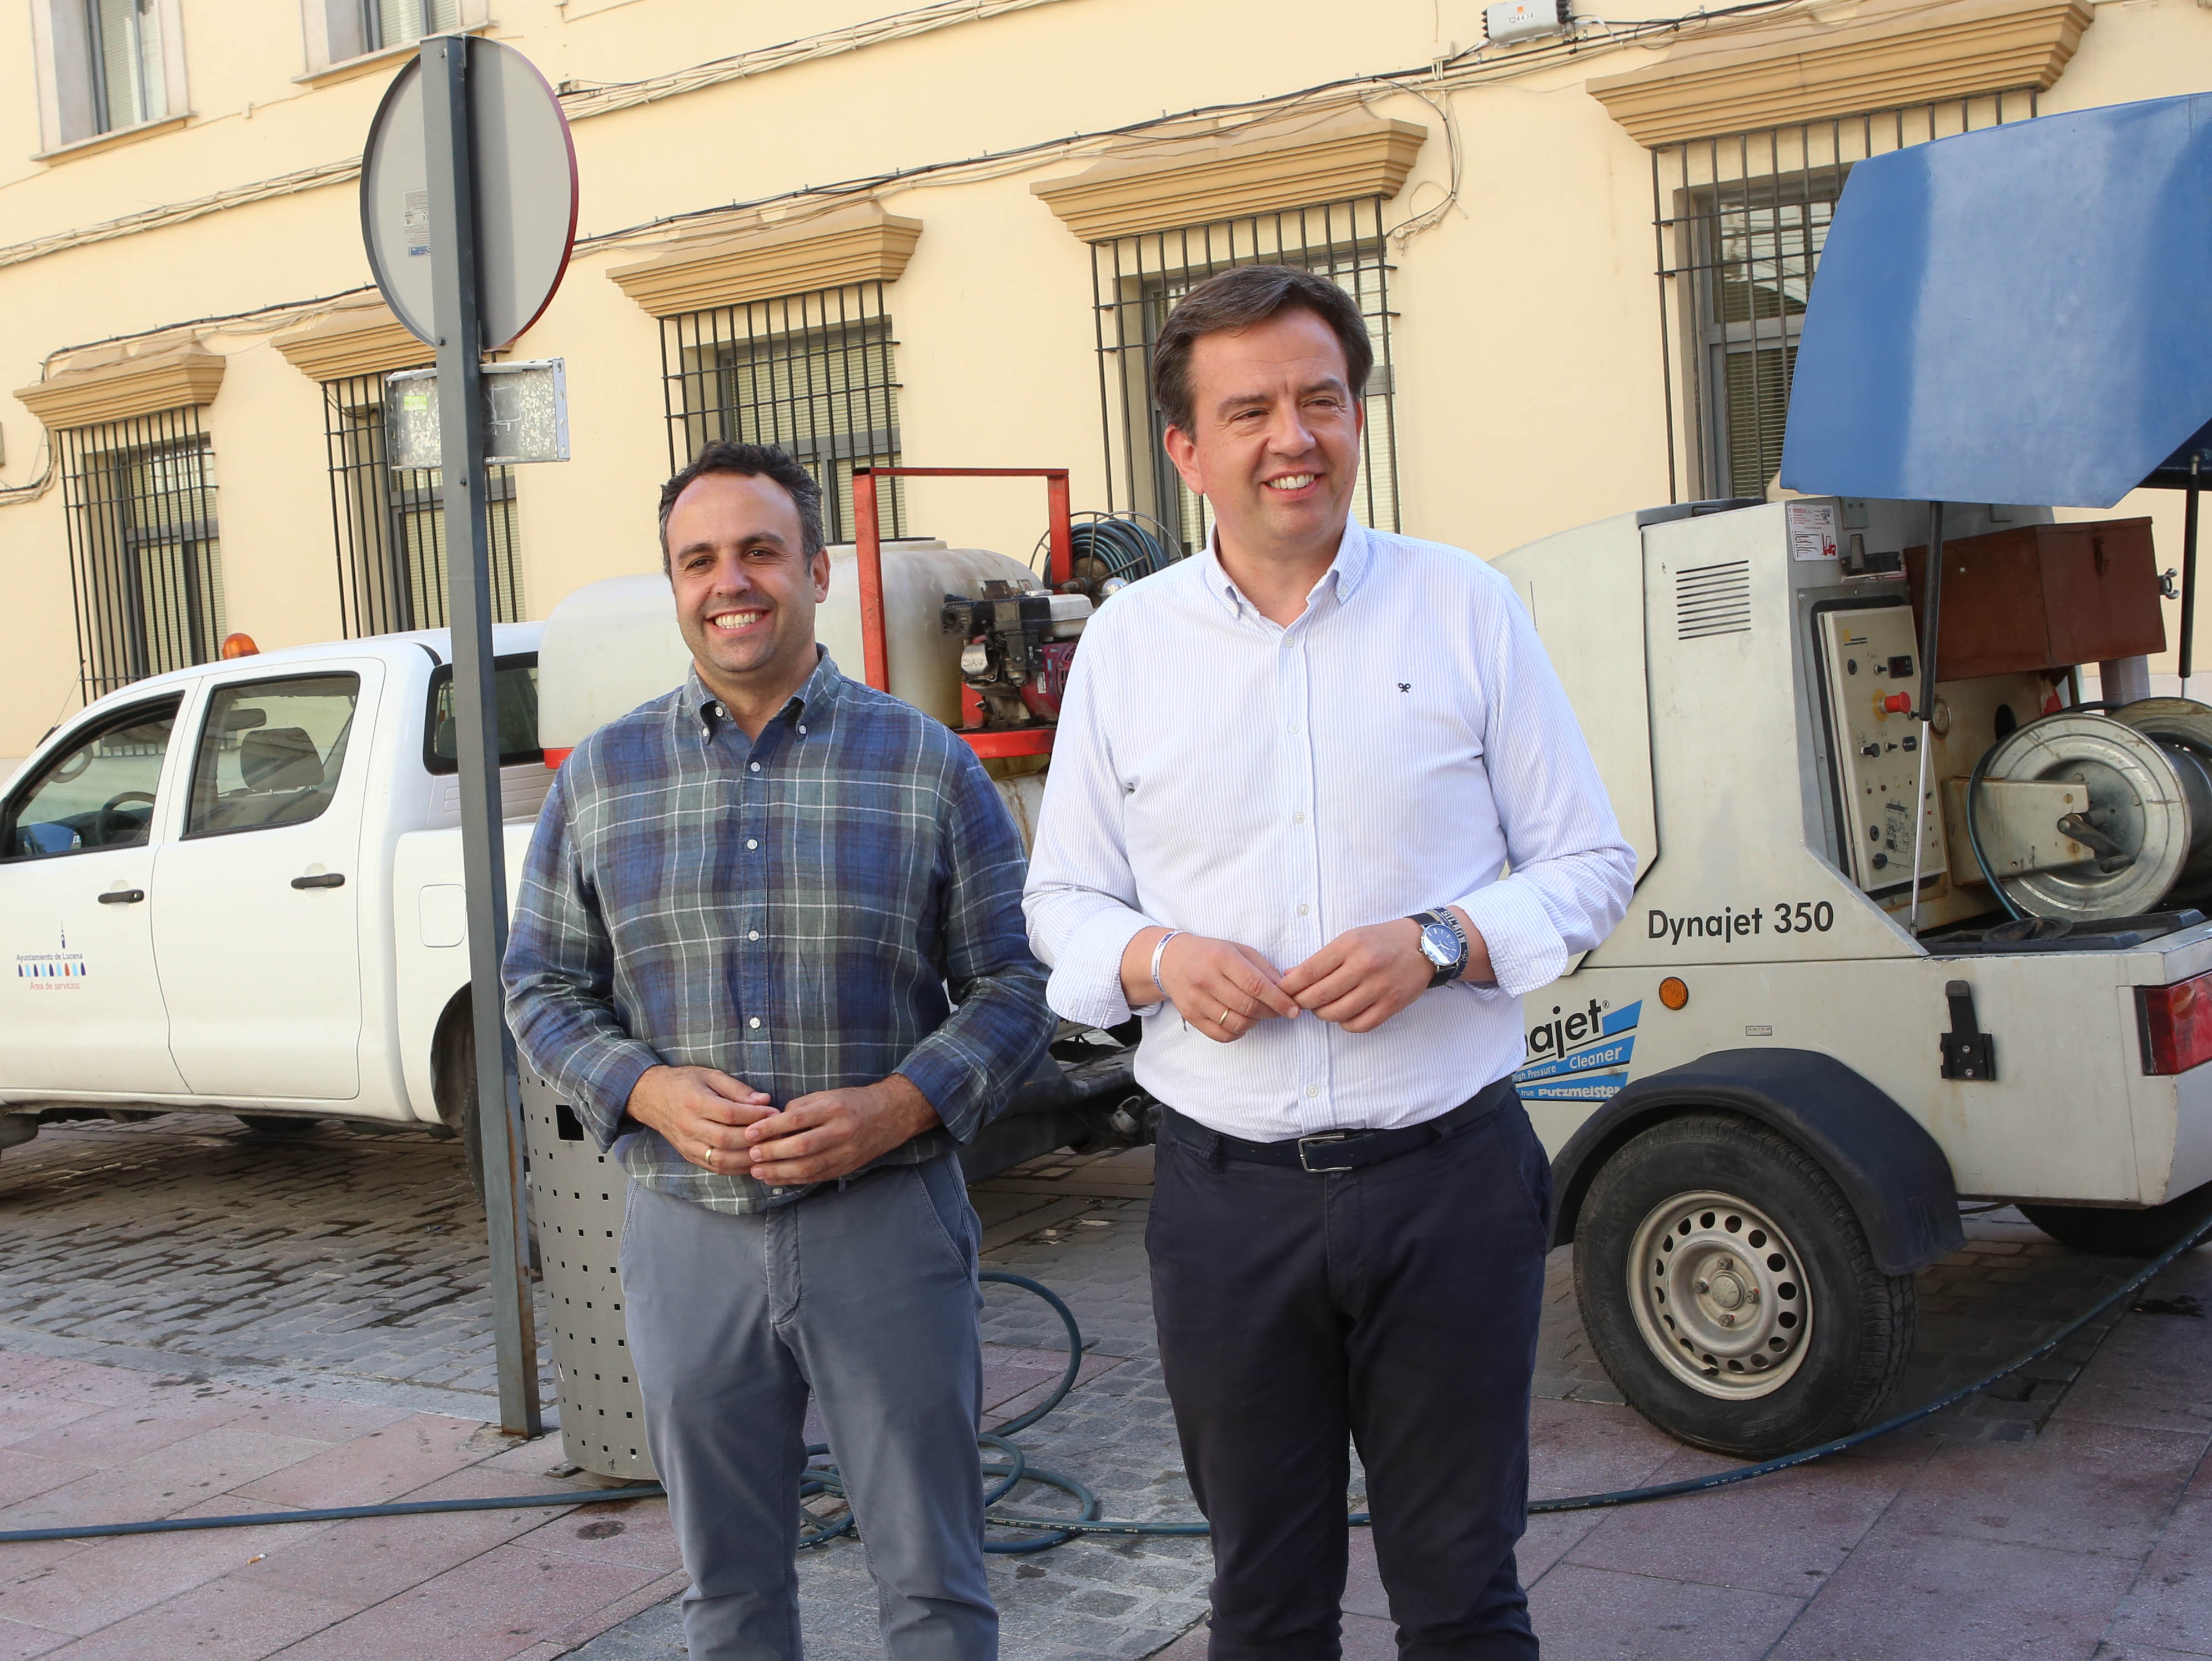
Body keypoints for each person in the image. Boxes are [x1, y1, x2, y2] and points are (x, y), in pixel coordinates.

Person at [1023, 265, 1635, 1659]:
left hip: (1449, 1182)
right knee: (1264, 1598)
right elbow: (1060, 896)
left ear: (1357, 415)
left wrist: (1444, 939)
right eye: (1249, 410)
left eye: (1320, 399)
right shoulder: (1127, 646)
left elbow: (1590, 864)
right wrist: (1162, 955)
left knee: (1465, 1591)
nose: (1291, 435)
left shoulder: (1466, 607)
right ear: (1186, 449)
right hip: (1226, 1199)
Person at [504, 440, 1050, 1661]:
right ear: (675, 584)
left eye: (759, 551)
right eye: (699, 559)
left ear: (814, 569)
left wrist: (905, 1102)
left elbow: (1020, 978)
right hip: (686, 1230)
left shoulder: (925, 764)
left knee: (934, 1581)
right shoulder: (604, 777)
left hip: (887, 1217)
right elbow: (537, 983)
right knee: (730, 1589)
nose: (730, 581)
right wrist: (643, 1083)